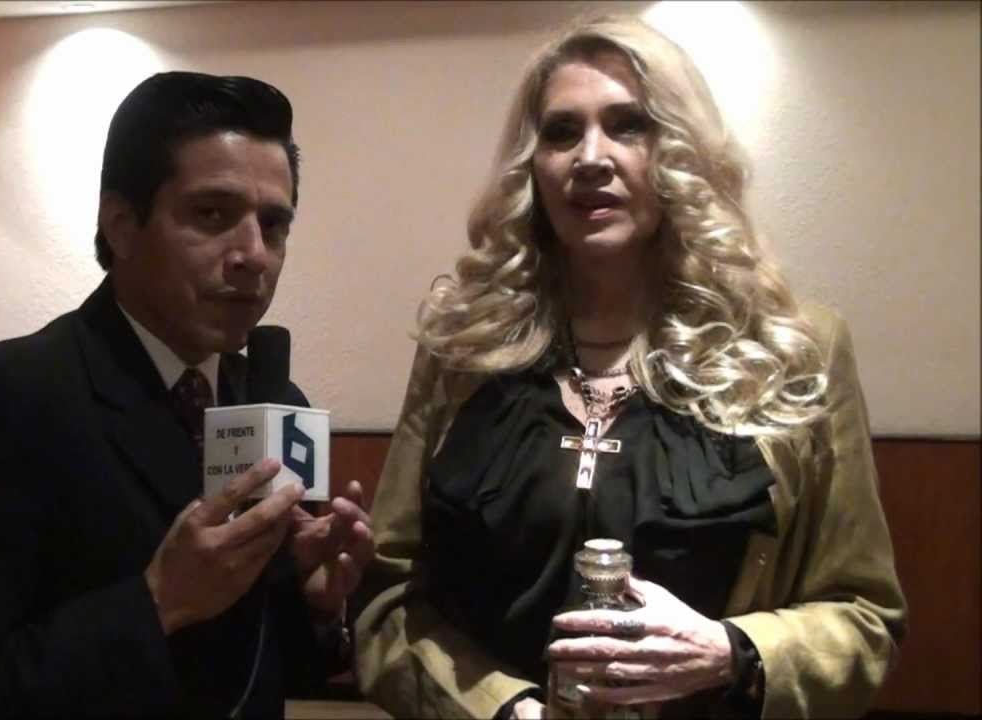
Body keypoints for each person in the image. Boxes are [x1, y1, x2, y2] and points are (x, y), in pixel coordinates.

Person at [353, 15, 904, 720]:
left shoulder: (797, 351)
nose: (591, 156)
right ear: (532, 167)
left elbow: (864, 617)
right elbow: (390, 599)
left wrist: (731, 651)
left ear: (680, 152)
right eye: (561, 132)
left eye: (628, 125)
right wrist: (504, 709)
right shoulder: (462, 350)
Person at [0, 71, 373, 718]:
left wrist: (316, 605)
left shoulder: (277, 402)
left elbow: (259, 667)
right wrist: (156, 603)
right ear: (123, 224)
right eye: (212, 214)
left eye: (273, 224)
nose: (254, 254)